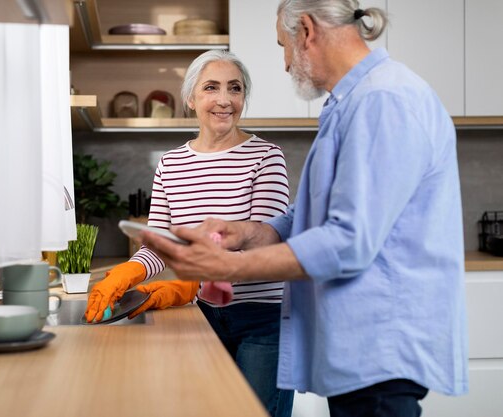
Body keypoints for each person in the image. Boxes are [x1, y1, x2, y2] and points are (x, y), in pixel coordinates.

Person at [139, 1, 469, 417]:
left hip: (382, 345)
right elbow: (316, 209)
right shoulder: (348, 104)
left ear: (307, 31)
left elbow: (347, 241)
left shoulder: (384, 101)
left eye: (283, 46)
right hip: (358, 347)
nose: (283, 64)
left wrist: (230, 267)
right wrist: (254, 233)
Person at [85, 50, 295, 417]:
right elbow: (158, 246)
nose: (224, 100)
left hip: (263, 318)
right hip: (205, 315)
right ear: (190, 98)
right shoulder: (171, 164)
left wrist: (197, 278)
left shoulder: (266, 156)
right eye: (211, 87)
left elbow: (268, 241)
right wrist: (129, 271)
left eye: (235, 88)